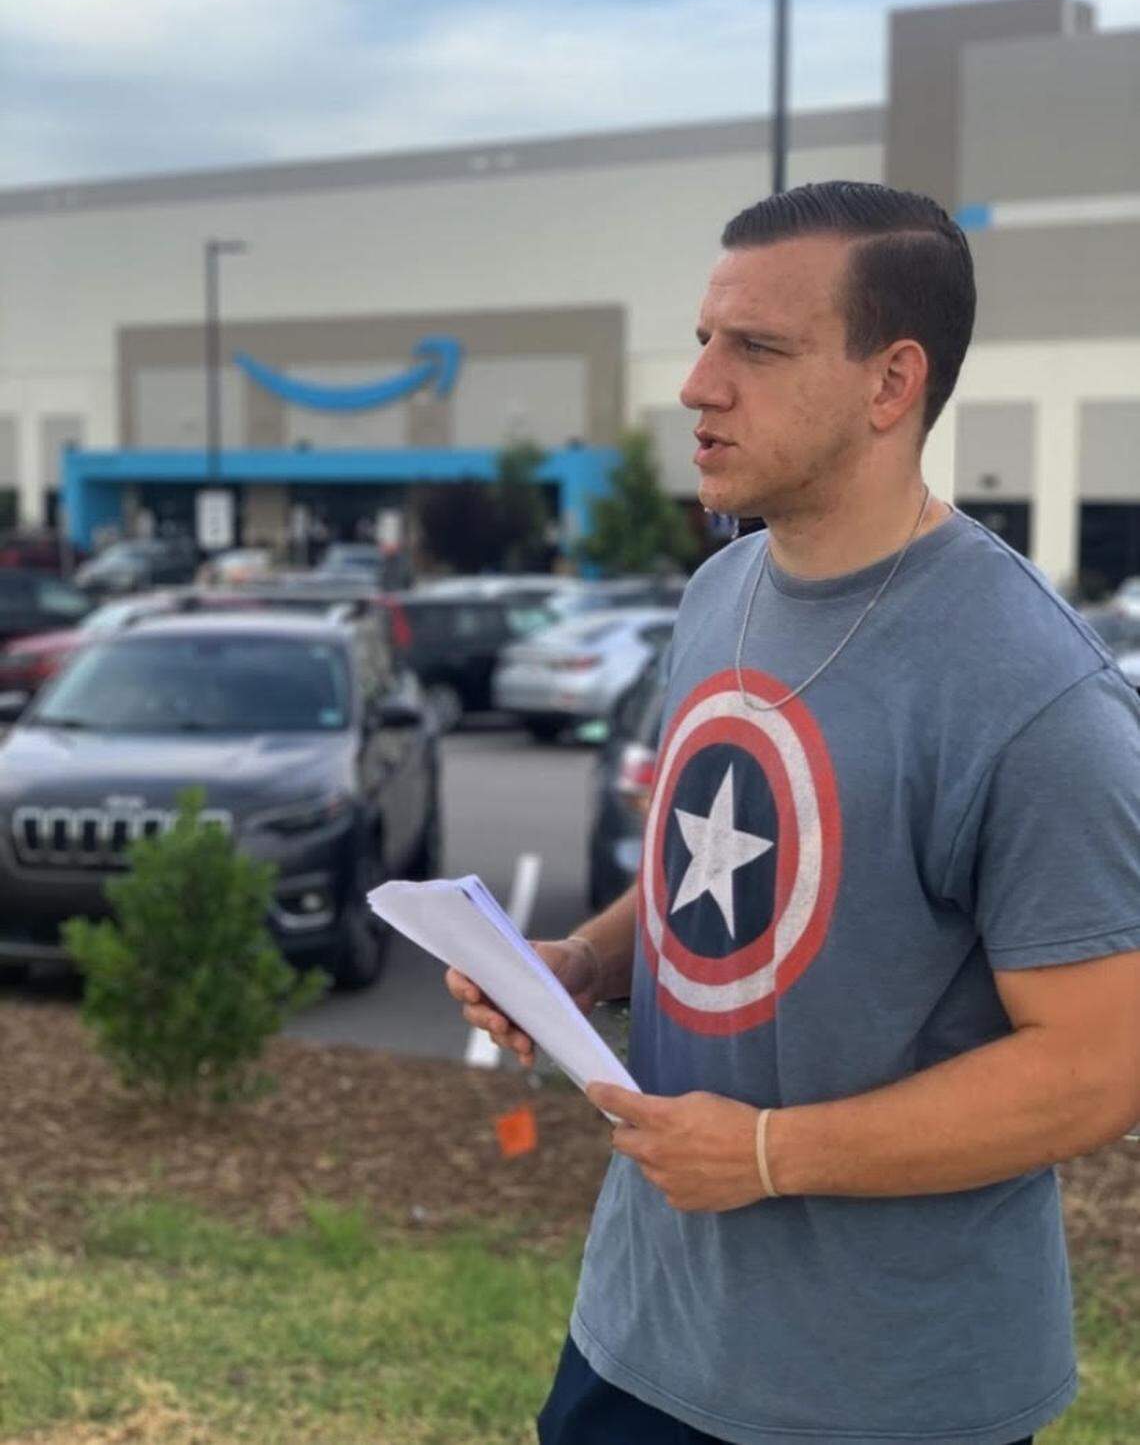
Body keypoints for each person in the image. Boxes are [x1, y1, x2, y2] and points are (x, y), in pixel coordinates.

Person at [446, 181, 1140, 1445]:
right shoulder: (721, 592)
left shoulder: (1037, 694)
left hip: (888, 1394)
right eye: (706, 338)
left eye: (756, 349)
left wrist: (771, 1155)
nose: (699, 384)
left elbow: (1097, 1071)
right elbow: (708, 871)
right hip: (638, 1337)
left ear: (892, 385)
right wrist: (582, 962)